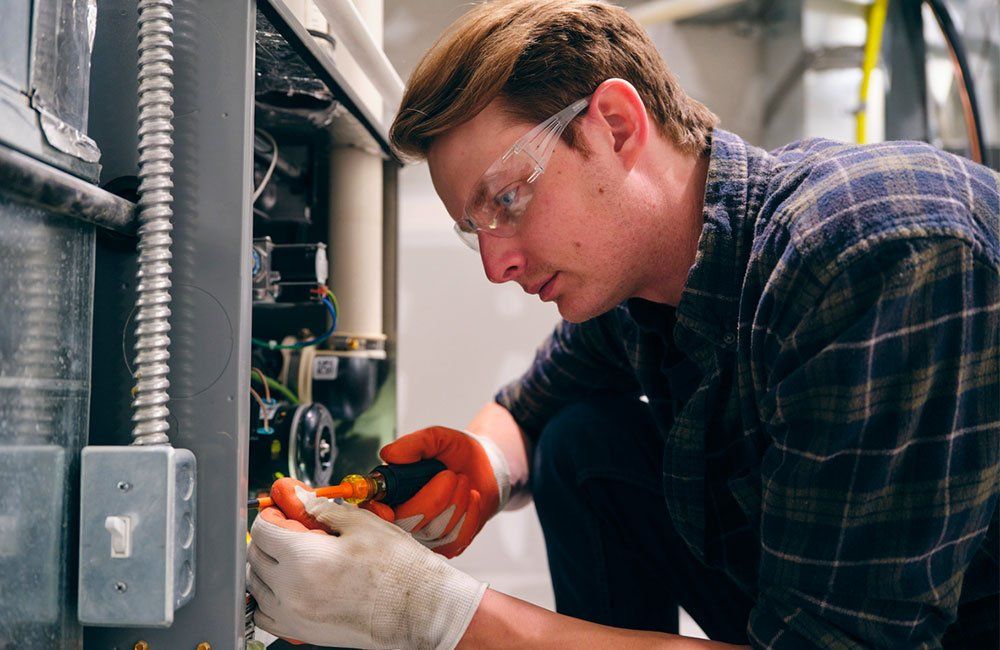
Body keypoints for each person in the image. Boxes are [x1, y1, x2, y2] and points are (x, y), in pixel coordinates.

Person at [246, 1, 1000, 648]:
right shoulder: (643, 287)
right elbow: (528, 412)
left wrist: (429, 612)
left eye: (506, 199)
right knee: (579, 441)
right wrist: (483, 464)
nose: (496, 265)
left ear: (613, 124)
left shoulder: (870, 256)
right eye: (474, 229)